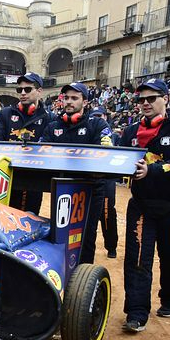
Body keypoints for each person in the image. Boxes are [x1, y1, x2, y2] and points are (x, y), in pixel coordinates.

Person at [118, 78, 170, 333]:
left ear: (166, 98)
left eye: (151, 98)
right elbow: (116, 159)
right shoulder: (130, 132)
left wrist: (151, 170)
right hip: (141, 206)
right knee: (138, 259)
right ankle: (136, 313)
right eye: (141, 99)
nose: (145, 103)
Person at [40, 82, 114, 264]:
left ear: (85, 102)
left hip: (91, 190)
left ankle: (84, 278)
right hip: (62, 190)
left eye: (74, 98)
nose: (69, 102)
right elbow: (40, 153)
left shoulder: (98, 124)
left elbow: (106, 152)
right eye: (66, 98)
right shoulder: (52, 126)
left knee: (87, 236)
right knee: (60, 234)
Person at [0, 72, 54, 213]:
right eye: (19, 90)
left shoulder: (49, 118)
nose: (23, 93)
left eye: (27, 89)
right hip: (4, 177)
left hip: (32, 180)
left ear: (39, 91)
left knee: (28, 219)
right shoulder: (4, 114)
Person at [90, 107, 119, 259]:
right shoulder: (90, 129)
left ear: (106, 116)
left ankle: (111, 247)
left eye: (100, 115)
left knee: (107, 213)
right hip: (91, 179)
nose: (98, 118)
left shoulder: (111, 134)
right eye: (95, 116)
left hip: (107, 180)